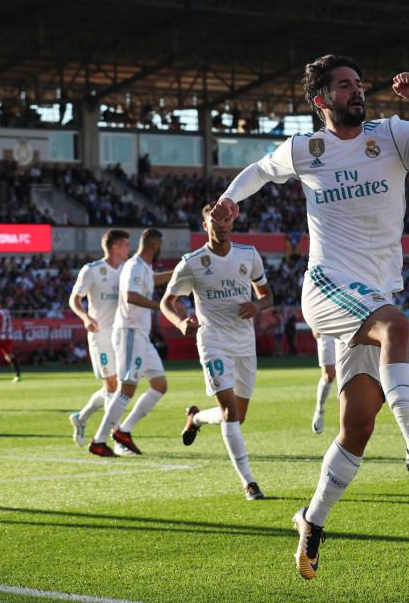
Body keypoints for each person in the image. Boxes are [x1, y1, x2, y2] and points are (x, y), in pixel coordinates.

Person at [210, 54, 409, 580]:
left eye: (358, 83)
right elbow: (260, 171)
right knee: (397, 325)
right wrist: (226, 201)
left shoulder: (394, 134)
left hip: (372, 293)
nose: (357, 91)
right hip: (328, 286)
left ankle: (310, 521)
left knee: (357, 424)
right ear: (321, 100)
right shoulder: (307, 148)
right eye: (344, 85)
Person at [162, 202, 273, 500]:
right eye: (215, 221)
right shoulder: (192, 262)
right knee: (230, 412)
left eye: (226, 220)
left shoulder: (248, 255)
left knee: (239, 415)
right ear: (205, 226)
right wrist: (180, 321)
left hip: (244, 343)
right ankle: (249, 482)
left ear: (232, 223)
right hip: (213, 342)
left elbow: (267, 296)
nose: (221, 225)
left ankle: (196, 419)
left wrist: (257, 305)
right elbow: (167, 302)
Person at [88, 229, 170, 457]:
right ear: (155, 246)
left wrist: (178, 272)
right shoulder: (134, 266)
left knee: (160, 385)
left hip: (141, 334)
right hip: (129, 332)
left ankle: (124, 431)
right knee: (127, 388)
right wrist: (161, 306)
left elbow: (151, 281)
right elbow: (131, 296)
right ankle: (99, 440)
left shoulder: (142, 267)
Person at [66, 229, 129, 448]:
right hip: (99, 335)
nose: (128, 249)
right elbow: (74, 299)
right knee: (113, 387)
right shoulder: (92, 270)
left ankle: (81, 418)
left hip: (120, 336)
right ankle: (117, 438)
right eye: (125, 245)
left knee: (115, 389)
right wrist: (85, 317)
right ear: (114, 248)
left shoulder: (126, 270)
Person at [311, 332, 338, 435]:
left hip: (349, 325)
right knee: (328, 376)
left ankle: (346, 422)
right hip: (326, 327)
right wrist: (313, 325)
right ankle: (320, 409)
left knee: (347, 374)